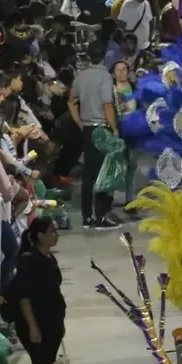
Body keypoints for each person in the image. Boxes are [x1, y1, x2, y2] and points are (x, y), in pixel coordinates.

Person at [69, 41, 123, 229]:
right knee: (105, 172)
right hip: (102, 129)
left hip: (87, 129)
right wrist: (114, 129)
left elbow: (71, 102)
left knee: (88, 173)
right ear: (105, 56)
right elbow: (107, 105)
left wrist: (80, 123)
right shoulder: (105, 77)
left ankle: (87, 217)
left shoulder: (81, 76)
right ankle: (101, 216)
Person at [6, 217, 65, 364]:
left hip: (51, 322)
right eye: (52, 231)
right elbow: (23, 297)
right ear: (40, 235)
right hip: (36, 322)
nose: (57, 234)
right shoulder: (29, 260)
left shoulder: (49, 258)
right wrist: (33, 327)